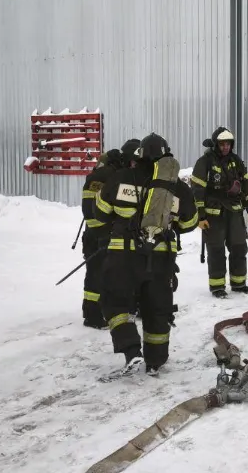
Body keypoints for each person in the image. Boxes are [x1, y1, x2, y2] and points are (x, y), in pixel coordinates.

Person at [92, 133, 199, 377]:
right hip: (161, 258)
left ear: (139, 155)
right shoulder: (177, 187)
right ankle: (155, 361)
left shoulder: (121, 178)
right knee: (158, 309)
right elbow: (191, 222)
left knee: (115, 302)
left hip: (123, 257)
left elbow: (100, 212)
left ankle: (131, 351)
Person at [190, 127, 248, 298]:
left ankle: (239, 283)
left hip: (234, 213)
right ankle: (217, 286)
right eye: (222, 144)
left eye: (228, 144)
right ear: (215, 144)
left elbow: (247, 185)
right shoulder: (205, 162)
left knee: (239, 248)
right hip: (214, 215)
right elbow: (197, 190)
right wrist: (201, 216)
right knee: (216, 250)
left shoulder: (236, 161)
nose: (226, 147)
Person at [79, 141, 138, 329]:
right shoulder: (111, 177)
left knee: (98, 274)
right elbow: (93, 210)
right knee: (100, 276)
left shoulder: (102, 175)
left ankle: (94, 314)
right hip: (101, 235)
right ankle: (94, 316)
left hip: (94, 233)